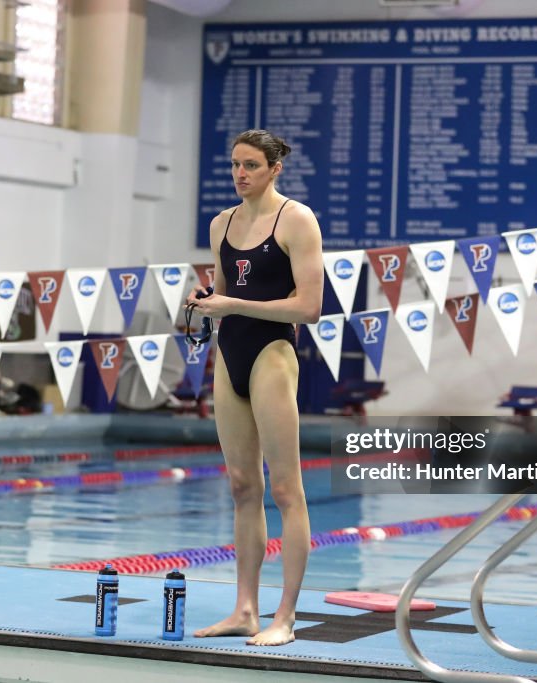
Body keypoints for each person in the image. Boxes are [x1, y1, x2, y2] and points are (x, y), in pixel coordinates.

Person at [185, 129, 323, 646]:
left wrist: (231, 305)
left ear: (274, 169)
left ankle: (284, 618)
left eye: (250, 165)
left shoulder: (297, 220)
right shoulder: (222, 222)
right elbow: (225, 291)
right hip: (230, 356)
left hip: (271, 355)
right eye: (235, 165)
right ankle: (245, 609)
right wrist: (207, 301)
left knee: (287, 489)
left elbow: (308, 307)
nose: (240, 173)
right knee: (243, 488)